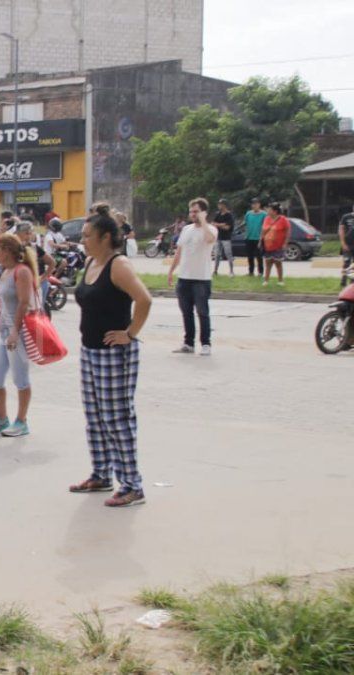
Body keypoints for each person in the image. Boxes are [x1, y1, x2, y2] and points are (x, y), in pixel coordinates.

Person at [71, 206, 153, 507]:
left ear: (106, 237)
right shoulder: (92, 261)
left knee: (116, 418)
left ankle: (133, 485)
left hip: (113, 355)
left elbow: (144, 299)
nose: (83, 240)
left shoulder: (118, 266)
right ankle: (101, 474)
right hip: (90, 351)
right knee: (95, 418)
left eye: (87, 235)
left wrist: (129, 333)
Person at [0, 234, 37, 438]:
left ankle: (22, 421)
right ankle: (2, 418)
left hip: (18, 333)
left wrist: (15, 331)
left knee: (20, 378)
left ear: (6, 250)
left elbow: (24, 302)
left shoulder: (22, 272)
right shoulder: (6, 272)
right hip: (3, 332)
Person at [168, 197, 218, 355]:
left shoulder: (210, 229)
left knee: (202, 312)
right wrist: (171, 270)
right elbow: (180, 251)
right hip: (184, 277)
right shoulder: (186, 229)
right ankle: (188, 343)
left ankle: (205, 343)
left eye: (196, 211)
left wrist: (203, 222)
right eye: (191, 211)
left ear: (204, 212)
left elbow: (210, 239)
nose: (193, 214)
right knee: (186, 312)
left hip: (201, 279)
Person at [260, 202, 290, 287]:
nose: (268, 211)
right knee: (268, 262)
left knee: (278, 263)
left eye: (269, 209)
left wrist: (285, 243)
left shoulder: (283, 219)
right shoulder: (267, 219)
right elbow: (263, 230)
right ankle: (266, 280)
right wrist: (260, 240)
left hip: (278, 245)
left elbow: (287, 232)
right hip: (267, 245)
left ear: (275, 211)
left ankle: (280, 280)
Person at [243, 198, 267, 276]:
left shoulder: (264, 214)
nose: (254, 205)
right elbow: (245, 223)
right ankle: (251, 272)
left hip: (258, 238)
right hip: (249, 238)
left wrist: (262, 238)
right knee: (250, 256)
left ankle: (260, 272)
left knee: (259, 256)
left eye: (256, 204)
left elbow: (265, 226)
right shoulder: (248, 213)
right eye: (253, 204)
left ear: (259, 205)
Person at [212, 199, 235, 276]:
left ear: (224, 205)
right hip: (218, 237)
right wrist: (221, 224)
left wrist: (218, 225)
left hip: (226, 237)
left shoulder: (229, 215)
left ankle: (231, 271)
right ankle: (215, 270)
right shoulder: (218, 214)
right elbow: (213, 223)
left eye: (221, 204)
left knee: (228, 254)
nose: (219, 206)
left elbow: (227, 227)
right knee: (217, 254)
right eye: (219, 204)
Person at [341, 208, 354, 286]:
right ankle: (343, 280)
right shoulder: (346, 217)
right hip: (347, 245)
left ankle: (352, 281)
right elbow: (341, 230)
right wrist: (343, 243)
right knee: (346, 263)